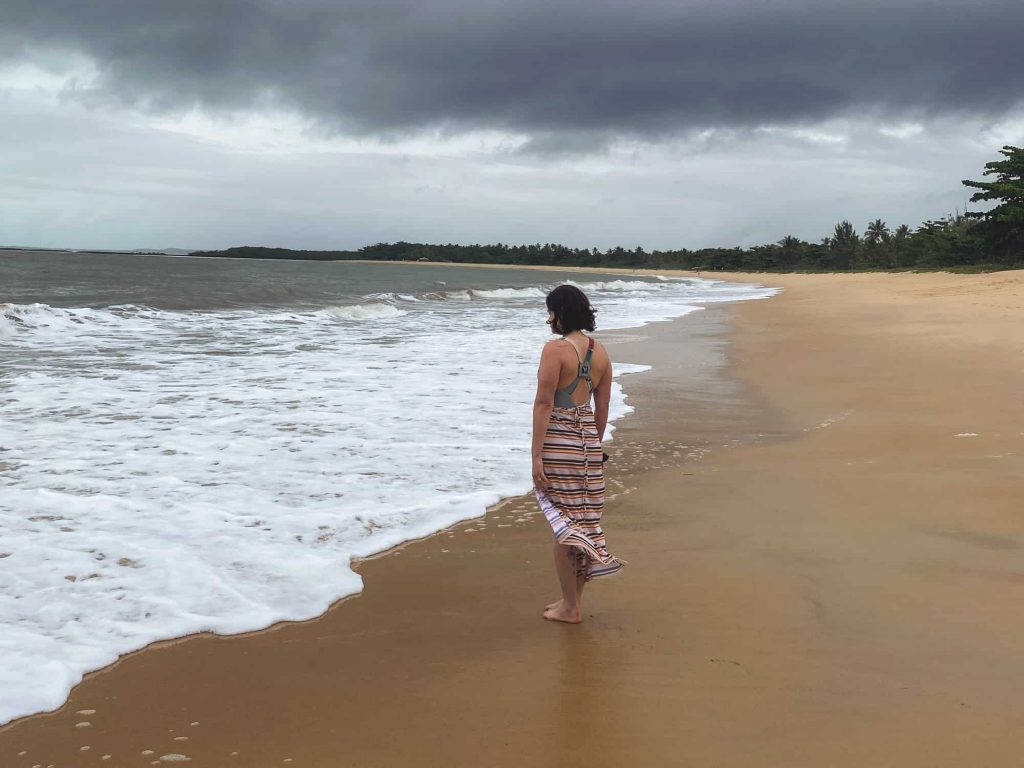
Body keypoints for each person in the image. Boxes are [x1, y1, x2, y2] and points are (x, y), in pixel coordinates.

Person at [532, 284, 624, 624]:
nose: (548, 319)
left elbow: (544, 404)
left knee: (564, 527)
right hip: (587, 443)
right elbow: (603, 406)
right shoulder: (600, 352)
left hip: (558, 443)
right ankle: (571, 600)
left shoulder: (555, 350)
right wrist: (594, 446)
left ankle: (570, 607)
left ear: (560, 313)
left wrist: (536, 456)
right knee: (583, 523)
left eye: (550, 311)